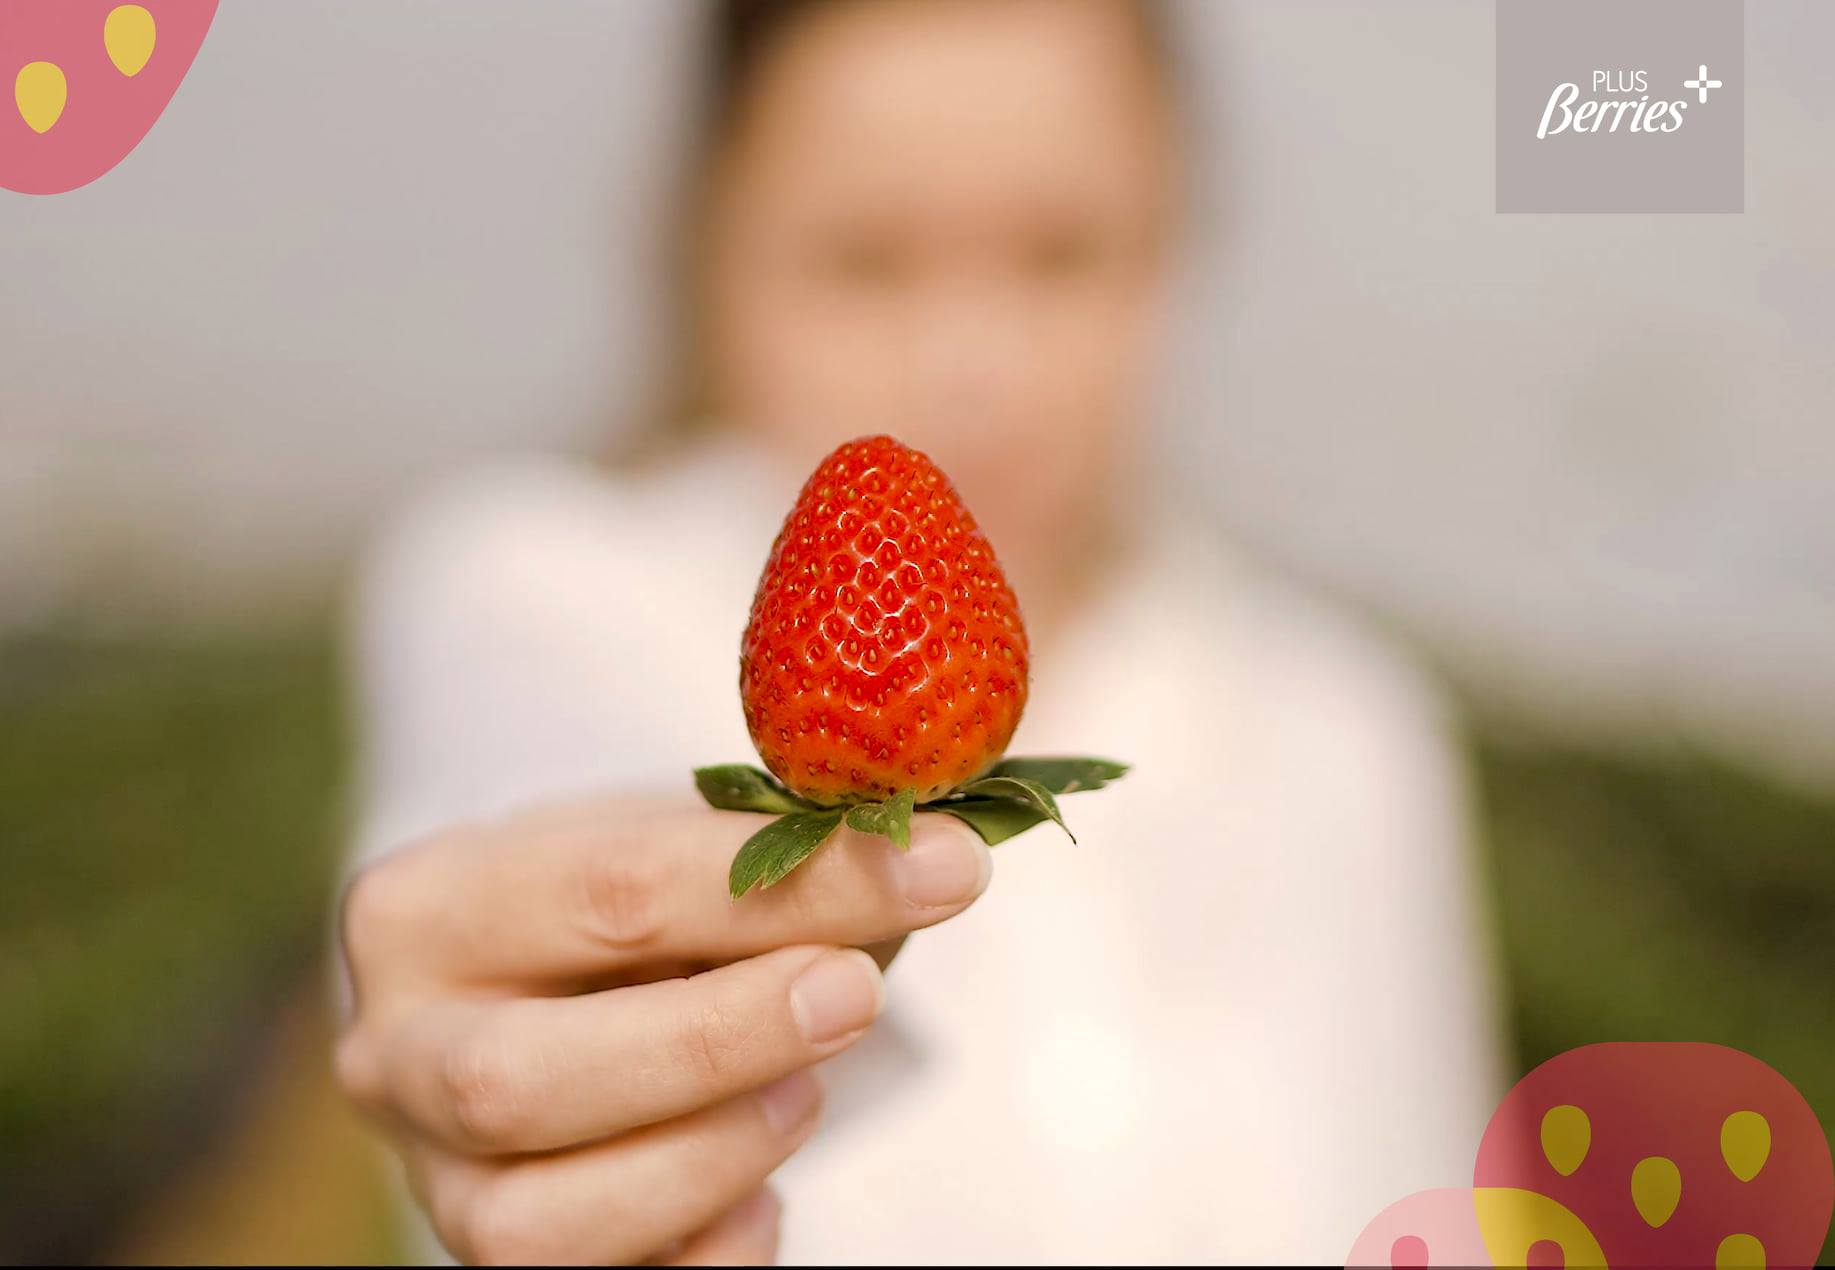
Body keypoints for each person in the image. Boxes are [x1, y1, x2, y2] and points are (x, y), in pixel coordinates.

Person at [336, 0, 1504, 1261]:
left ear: (1178, 246)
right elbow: (533, 782)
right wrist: (541, 1015)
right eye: (864, 260)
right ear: (706, 252)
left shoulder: (1347, 727)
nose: (970, 366)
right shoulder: (538, 590)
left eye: (1060, 254)